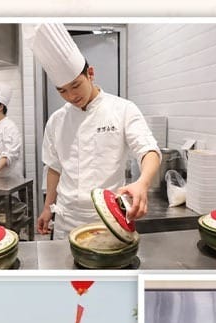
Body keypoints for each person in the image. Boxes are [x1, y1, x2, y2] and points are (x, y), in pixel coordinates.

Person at [30, 22, 161, 240]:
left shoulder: (122, 109)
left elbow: (149, 151)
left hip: (108, 218)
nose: (71, 96)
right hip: (66, 219)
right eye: (62, 91)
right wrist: (47, 208)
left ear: (90, 74)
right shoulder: (56, 120)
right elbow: (54, 168)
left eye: (75, 85)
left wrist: (142, 183)